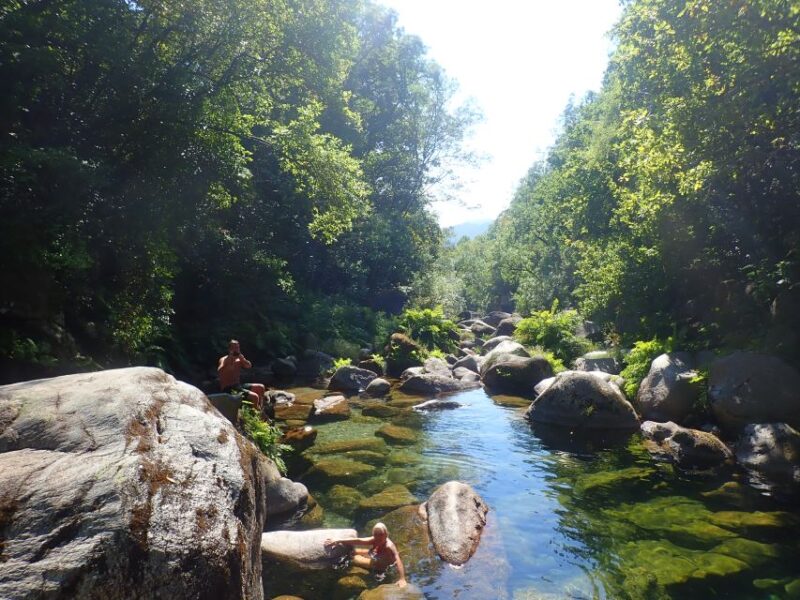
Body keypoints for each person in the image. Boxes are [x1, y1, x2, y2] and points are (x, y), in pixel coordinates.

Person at [324, 523, 407, 588]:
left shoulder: (389, 546)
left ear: (386, 534)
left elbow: (398, 559)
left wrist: (402, 578)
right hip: (375, 555)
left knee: (354, 558)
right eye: (376, 534)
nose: (378, 537)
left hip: (381, 564)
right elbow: (358, 540)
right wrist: (338, 540)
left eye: (380, 535)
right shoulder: (374, 539)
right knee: (354, 551)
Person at [217, 339, 265, 411]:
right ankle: (259, 416)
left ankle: (260, 409)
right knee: (255, 397)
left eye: (238, 347)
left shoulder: (239, 359)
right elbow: (219, 371)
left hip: (238, 385)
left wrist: (243, 359)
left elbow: (248, 366)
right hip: (228, 388)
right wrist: (228, 361)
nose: (236, 349)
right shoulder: (224, 359)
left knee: (261, 387)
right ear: (230, 349)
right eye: (234, 348)